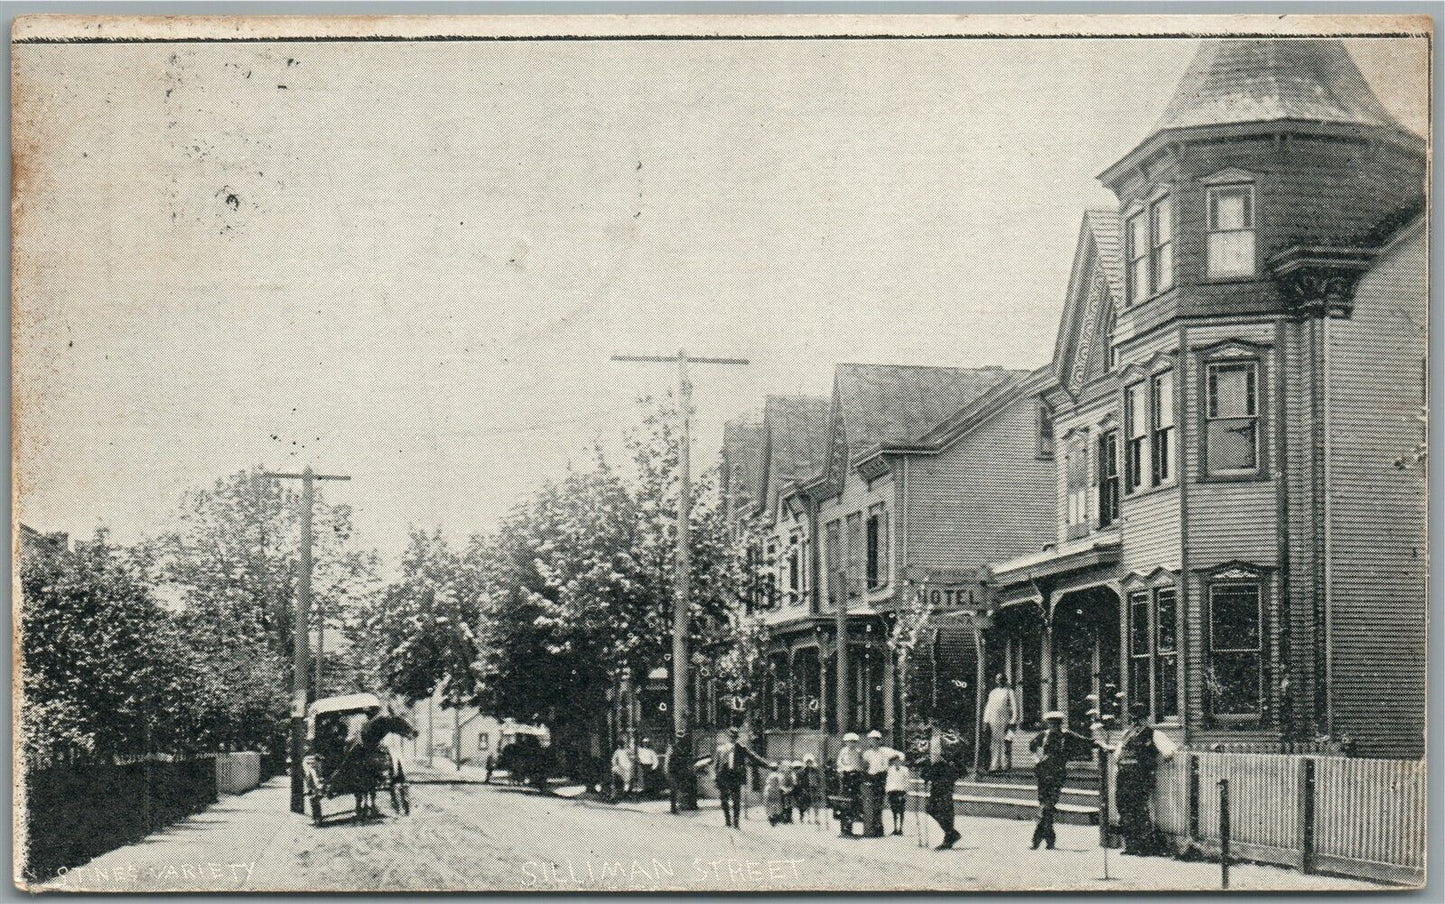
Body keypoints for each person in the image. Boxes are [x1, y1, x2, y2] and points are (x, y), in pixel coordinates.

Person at [1028, 711, 1098, 850]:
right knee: (1044, 804)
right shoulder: (1044, 734)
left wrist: (1100, 743)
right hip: (1043, 772)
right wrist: (1036, 759)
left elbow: (1085, 741)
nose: (1054, 726)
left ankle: (1037, 839)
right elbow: (1032, 746)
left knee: (1047, 805)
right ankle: (1049, 839)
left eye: (1056, 724)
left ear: (1060, 724)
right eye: (1051, 723)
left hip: (1057, 773)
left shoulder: (1066, 735)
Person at [1114, 702, 1171, 855]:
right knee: (1124, 809)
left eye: (1139, 719)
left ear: (1146, 719)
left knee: (1140, 810)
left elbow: (1169, 752)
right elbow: (1117, 756)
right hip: (1124, 776)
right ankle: (1130, 845)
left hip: (1140, 777)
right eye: (1133, 719)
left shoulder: (1154, 734)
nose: (1135, 722)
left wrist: (1154, 760)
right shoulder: (1126, 735)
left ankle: (1144, 846)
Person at [714, 727, 770, 829]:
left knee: (736, 800)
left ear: (737, 738)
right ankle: (727, 822)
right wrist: (715, 778)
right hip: (724, 777)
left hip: (735, 777)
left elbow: (753, 757)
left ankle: (736, 823)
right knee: (724, 800)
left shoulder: (741, 748)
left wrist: (767, 765)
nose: (733, 739)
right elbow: (717, 764)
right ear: (728, 737)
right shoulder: (720, 749)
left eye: (735, 737)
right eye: (731, 736)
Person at [919, 736, 961, 850]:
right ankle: (950, 833)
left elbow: (948, 760)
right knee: (932, 808)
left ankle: (949, 836)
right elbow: (933, 762)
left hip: (945, 780)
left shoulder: (945, 737)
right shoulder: (934, 738)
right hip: (938, 781)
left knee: (944, 809)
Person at [860, 729, 900, 838]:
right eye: (871, 740)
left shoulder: (885, 751)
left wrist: (894, 765)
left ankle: (879, 829)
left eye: (876, 740)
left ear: (879, 741)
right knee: (870, 804)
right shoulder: (867, 753)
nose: (874, 742)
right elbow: (864, 766)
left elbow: (899, 755)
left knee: (879, 804)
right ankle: (871, 829)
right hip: (870, 777)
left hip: (881, 778)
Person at [983, 674, 1018, 773]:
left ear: (1005, 680)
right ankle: (994, 765)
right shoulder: (993, 692)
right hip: (993, 720)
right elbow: (988, 707)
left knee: (1005, 742)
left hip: (1004, 719)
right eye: (998, 679)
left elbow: (1014, 707)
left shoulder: (1009, 691)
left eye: (1002, 679)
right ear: (996, 681)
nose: (1000, 681)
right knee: (994, 742)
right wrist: (986, 721)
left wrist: (1013, 720)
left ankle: (1005, 766)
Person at [835, 732, 863, 837]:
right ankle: (843, 828)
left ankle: (850, 827)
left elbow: (860, 765)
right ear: (846, 742)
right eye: (849, 742)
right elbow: (839, 763)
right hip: (845, 776)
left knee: (853, 803)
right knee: (844, 802)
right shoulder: (843, 751)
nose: (851, 744)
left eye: (854, 742)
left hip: (855, 776)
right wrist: (842, 772)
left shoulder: (858, 752)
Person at [885, 752, 909, 836]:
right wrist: (887, 791)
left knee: (901, 810)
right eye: (894, 761)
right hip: (893, 791)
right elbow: (888, 780)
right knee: (894, 811)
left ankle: (901, 829)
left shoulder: (905, 770)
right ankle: (895, 828)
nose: (896, 762)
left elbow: (906, 781)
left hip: (901, 791)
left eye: (898, 760)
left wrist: (905, 792)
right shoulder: (890, 770)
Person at [795, 755, 818, 823]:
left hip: (814, 789)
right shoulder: (803, 771)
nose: (809, 763)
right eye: (808, 762)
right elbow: (800, 780)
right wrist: (803, 788)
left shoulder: (815, 771)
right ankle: (808, 818)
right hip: (806, 789)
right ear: (806, 763)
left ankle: (816, 818)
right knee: (807, 804)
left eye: (810, 762)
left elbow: (818, 779)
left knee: (815, 804)